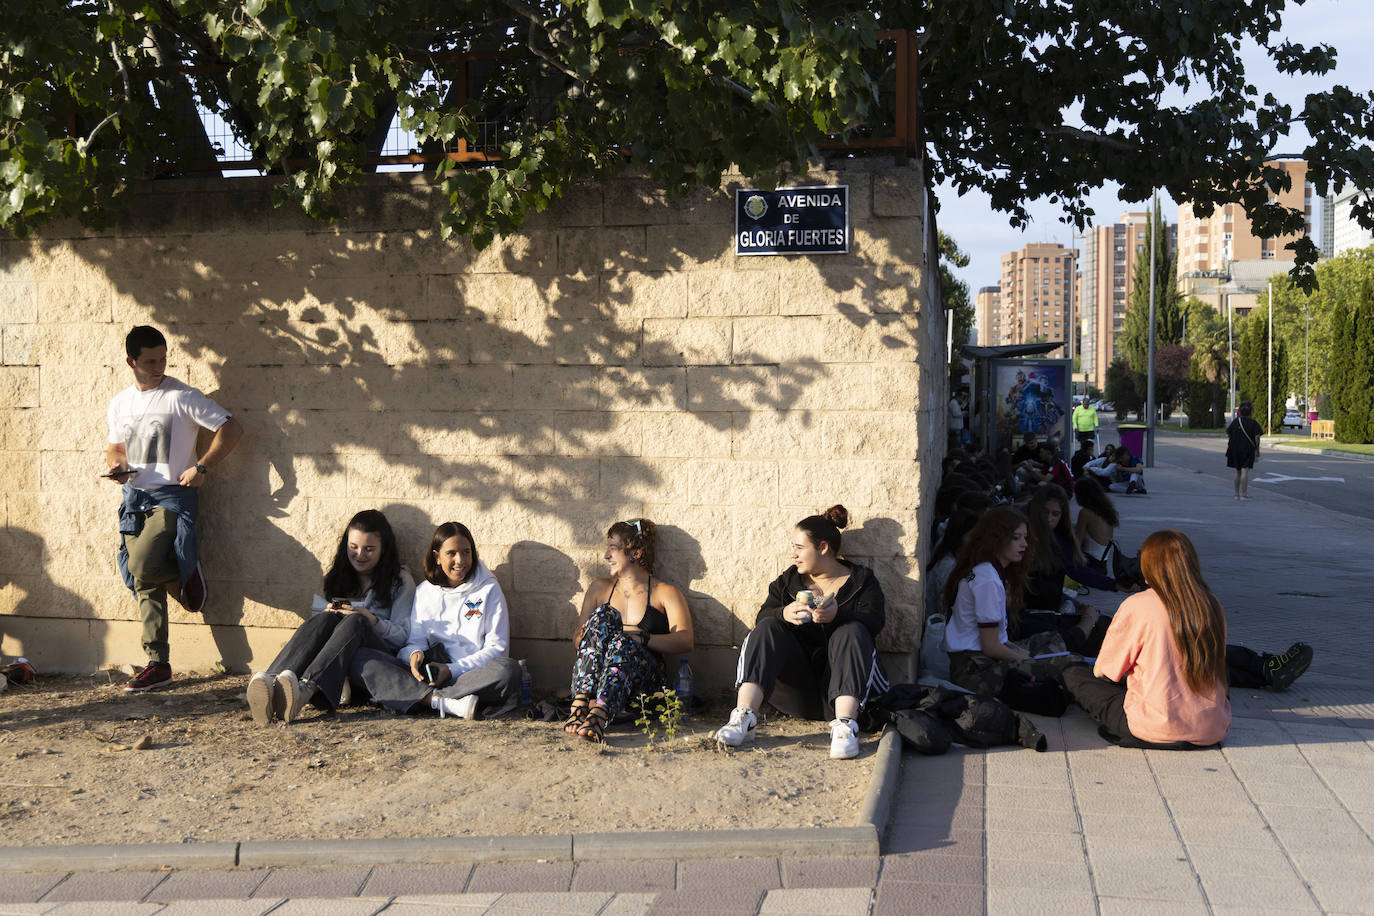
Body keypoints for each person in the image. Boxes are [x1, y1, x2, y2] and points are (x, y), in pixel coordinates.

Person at [105, 325, 244, 692]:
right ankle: (159, 663)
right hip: (134, 499)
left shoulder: (182, 396)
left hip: (172, 497)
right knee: (141, 577)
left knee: (140, 565)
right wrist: (119, 467)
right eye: (150, 361)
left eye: (163, 358)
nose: (158, 367)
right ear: (130, 361)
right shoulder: (120, 403)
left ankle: (183, 574)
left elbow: (231, 428)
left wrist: (202, 468)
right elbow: (116, 448)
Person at [716, 506, 890, 760]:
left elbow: (875, 622)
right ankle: (744, 717)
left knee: (852, 630)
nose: (793, 554)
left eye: (799, 547)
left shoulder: (861, 581)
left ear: (823, 547)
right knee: (767, 627)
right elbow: (762, 617)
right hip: (799, 693)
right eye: (793, 547)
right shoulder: (789, 582)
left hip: (848, 691)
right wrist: (783, 613)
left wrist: (837, 615)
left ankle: (845, 727)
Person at [1061, 530, 1230, 747]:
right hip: (1212, 727)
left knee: (1073, 673)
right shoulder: (1212, 604)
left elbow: (1104, 671)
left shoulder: (1138, 604)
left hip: (1152, 724)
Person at [246, 510, 415, 725]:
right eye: (353, 547)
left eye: (369, 549)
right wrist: (327, 615)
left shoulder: (400, 580)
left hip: (375, 662)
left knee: (357, 621)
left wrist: (372, 620)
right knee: (325, 619)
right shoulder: (338, 576)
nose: (360, 554)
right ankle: (269, 688)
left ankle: (304, 691)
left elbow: (404, 637)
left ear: (384, 549)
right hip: (336, 667)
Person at [349, 522, 520, 720]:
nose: (460, 560)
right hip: (428, 676)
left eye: (466, 552)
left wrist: (451, 670)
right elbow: (416, 640)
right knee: (361, 659)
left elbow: (498, 649)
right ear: (437, 557)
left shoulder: (489, 589)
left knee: (508, 670)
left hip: (468, 676)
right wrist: (415, 654)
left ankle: (415, 697)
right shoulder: (424, 591)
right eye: (452, 553)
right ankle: (439, 701)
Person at [564, 519, 694, 742]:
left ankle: (599, 714)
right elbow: (578, 641)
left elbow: (685, 640)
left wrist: (642, 638)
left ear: (636, 553)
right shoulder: (598, 588)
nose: (606, 555)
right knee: (604, 615)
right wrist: (588, 635)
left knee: (625, 642)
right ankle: (581, 704)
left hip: (642, 679)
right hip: (599, 676)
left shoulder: (665, 592)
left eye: (612, 548)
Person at [940, 506, 1079, 697]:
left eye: (1025, 537)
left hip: (984, 658)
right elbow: (990, 647)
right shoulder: (986, 579)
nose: (1024, 544)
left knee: (1053, 641)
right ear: (997, 539)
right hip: (975, 671)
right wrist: (1023, 658)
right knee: (1069, 665)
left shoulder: (990, 571)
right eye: (1016, 538)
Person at [1019, 486, 1118, 655]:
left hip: (1049, 607)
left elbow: (1074, 566)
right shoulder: (1025, 536)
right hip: (1033, 617)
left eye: (1055, 514)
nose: (1049, 519)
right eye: (1045, 512)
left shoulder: (1057, 538)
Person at [1226, 401, 1263, 500]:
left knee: (1237, 471)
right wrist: (1257, 450)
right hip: (1248, 449)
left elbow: (1229, 433)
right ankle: (1244, 494)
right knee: (1245, 470)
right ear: (1251, 412)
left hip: (1234, 449)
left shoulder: (1235, 422)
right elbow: (1257, 437)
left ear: (1240, 411)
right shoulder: (1253, 423)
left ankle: (1236, 494)